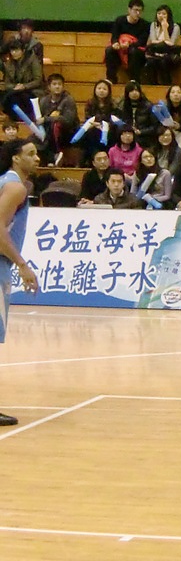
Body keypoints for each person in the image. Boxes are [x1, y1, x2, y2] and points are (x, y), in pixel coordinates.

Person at [0, 139, 39, 425]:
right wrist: (23, 265)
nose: (37, 158)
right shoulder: (15, 187)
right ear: (16, 158)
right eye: (31, 154)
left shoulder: (6, 182)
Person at [34, 73, 78, 166]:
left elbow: (68, 120)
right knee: (33, 138)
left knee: (55, 125)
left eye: (59, 84)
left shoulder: (69, 100)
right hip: (48, 131)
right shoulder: (44, 100)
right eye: (54, 84)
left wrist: (47, 119)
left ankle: (56, 154)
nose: (57, 86)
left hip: (67, 131)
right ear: (49, 87)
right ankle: (50, 159)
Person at [106, 0, 149, 84]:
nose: (138, 13)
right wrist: (116, 43)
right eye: (135, 10)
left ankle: (134, 80)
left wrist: (129, 44)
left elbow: (142, 41)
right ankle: (111, 79)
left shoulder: (144, 24)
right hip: (121, 48)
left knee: (134, 52)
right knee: (110, 50)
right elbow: (115, 35)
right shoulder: (120, 20)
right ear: (129, 10)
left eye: (140, 11)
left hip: (134, 50)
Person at [1, 42, 43, 119]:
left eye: (16, 50)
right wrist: (16, 87)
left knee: (19, 97)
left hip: (32, 90)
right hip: (15, 90)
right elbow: (7, 83)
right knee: (9, 96)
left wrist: (24, 86)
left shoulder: (32, 60)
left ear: (23, 51)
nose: (14, 53)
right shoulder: (8, 64)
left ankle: (23, 118)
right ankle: (14, 118)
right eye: (12, 51)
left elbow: (38, 80)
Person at [145, 4, 181, 85]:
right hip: (156, 54)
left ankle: (166, 84)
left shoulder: (175, 27)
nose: (161, 16)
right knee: (151, 62)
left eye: (164, 14)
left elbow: (170, 44)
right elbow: (153, 41)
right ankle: (153, 85)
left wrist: (165, 28)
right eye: (159, 13)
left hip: (171, 55)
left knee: (163, 62)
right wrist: (163, 42)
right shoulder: (153, 25)